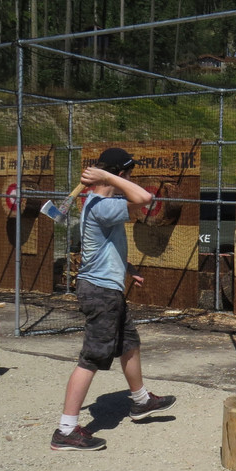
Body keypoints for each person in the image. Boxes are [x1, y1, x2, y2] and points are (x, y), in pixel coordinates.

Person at [50, 147, 176, 451]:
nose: (130, 179)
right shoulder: (101, 206)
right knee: (92, 358)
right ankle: (66, 430)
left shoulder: (103, 202)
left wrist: (127, 267)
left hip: (108, 288)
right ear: (120, 174)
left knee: (129, 343)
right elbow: (145, 199)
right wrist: (109, 176)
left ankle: (140, 401)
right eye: (128, 174)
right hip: (101, 293)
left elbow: (107, 245)